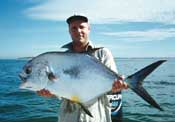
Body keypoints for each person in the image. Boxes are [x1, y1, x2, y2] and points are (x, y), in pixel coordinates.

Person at [37, 15, 128, 122]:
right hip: (68, 117)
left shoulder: (102, 53)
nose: (78, 31)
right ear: (69, 31)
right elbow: (63, 88)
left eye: (81, 27)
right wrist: (51, 92)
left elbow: (113, 86)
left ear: (88, 29)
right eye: (74, 28)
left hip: (96, 117)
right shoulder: (62, 58)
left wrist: (117, 86)